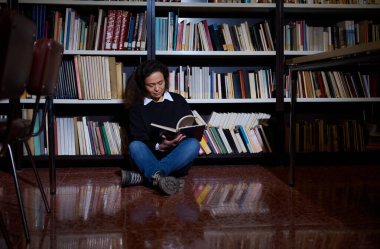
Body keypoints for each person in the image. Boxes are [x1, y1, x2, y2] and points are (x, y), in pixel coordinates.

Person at [121, 60, 200, 195]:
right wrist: (161, 145)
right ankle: (163, 178)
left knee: (193, 144)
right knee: (135, 146)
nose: (157, 89)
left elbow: (190, 129)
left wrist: (180, 137)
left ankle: (148, 177)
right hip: (149, 157)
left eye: (160, 83)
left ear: (165, 80)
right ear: (142, 85)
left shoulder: (178, 100)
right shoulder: (136, 107)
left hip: (176, 159)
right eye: (151, 85)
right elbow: (138, 139)